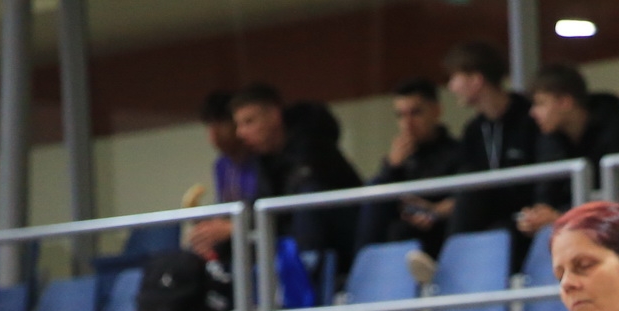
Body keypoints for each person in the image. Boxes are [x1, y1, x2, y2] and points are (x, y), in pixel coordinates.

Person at [187, 84, 362, 274]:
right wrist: (217, 236)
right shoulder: (266, 161)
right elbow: (261, 208)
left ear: (274, 115)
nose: (240, 133)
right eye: (238, 125)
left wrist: (237, 228)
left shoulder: (313, 153)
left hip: (337, 259)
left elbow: (295, 219)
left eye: (249, 122)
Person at [516, 65, 619, 234]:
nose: (533, 113)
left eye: (540, 103)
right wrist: (536, 216)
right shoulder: (549, 139)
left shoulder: (617, 129)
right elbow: (546, 193)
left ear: (565, 102)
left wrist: (562, 216)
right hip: (578, 230)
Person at [441, 41, 541, 247]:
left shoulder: (530, 117)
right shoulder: (473, 130)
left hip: (524, 215)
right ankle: (452, 257)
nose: (451, 87)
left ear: (476, 80)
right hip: (488, 217)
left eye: (454, 78)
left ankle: (453, 257)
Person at [360, 78, 464, 261]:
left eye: (415, 113)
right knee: (376, 187)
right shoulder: (399, 160)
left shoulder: (457, 153)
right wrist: (392, 167)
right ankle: (364, 263)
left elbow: (465, 201)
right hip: (403, 230)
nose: (407, 123)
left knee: (400, 231)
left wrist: (434, 210)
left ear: (436, 111)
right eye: (400, 115)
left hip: (439, 232)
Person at [200, 90, 261, 205]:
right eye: (209, 126)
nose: (214, 134)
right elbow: (223, 206)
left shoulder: (262, 160)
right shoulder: (221, 165)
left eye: (220, 124)